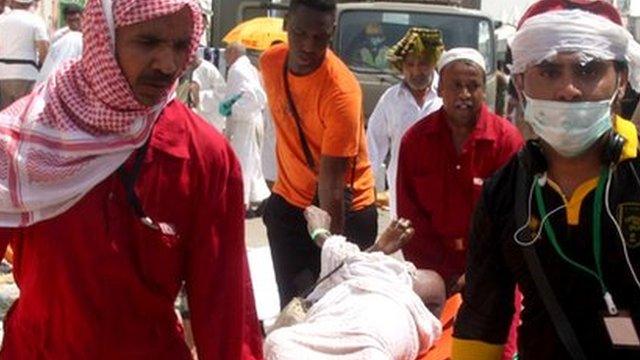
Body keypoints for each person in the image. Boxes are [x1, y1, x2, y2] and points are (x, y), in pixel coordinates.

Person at [0, 0, 262, 358]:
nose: (169, 65)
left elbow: (226, 312)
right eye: (148, 41)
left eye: (181, 46)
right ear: (103, 40)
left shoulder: (204, 157)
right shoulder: (26, 139)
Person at [452, 1, 640, 359]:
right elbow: (482, 319)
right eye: (549, 71)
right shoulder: (503, 194)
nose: (568, 89)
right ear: (520, 82)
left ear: (622, 79)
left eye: (588, 69)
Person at [260, 0, 377, 308]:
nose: (308, 46)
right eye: (299, 33)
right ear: (286, 24)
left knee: (334, 308)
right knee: (295, 306)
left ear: (332, 33)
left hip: (341, 212)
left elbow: (332, 187)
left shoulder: (341, 91)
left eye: (320, 37)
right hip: (289, 205)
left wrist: (332, 255)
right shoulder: (271, 63)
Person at [397, 47, 523, 292]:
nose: (464, 94)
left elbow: (512, 221)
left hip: (494, 274)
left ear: (484, 91)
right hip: (433, 273)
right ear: (440, 89)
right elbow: (410, 216)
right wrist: (440, 274)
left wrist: (478, 272)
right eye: (455, 85)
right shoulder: (415, 141)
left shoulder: (507, 141)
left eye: (473, 86)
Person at [264, 206, 443, 360]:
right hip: (372, 325)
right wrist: (319, 233)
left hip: (362, 317)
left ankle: (373, 254)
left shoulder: (282, 345)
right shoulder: (404, 298)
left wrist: (320, 233)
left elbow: (341, 260)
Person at [367, 27, 444, 216]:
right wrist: (365, 189)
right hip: (402, 192)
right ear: (402, 66)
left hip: (442, 192)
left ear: (433, 63)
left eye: (423, 63)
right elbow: (373, 146)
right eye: (410, 64)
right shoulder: (390, 99)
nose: (416, 70)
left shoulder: (446, 96)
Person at [222, 42, 270, 211]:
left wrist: (231, 106)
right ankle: (253, 199)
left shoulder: (237, 69)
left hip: (244, 123)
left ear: (233, 52)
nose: (224, 57)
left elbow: (255, 97)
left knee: (244, 162)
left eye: (226, 52)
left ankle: (241, 201)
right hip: (250, 120)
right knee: (251, 162)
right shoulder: (247, 67)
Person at [0, 0, 49, 110]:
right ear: (30, 3)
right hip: (27, 75)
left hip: (2, 74)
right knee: (23, 115)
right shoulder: (36, 20)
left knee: (3, 117)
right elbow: (44, 51)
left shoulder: (2, 19)